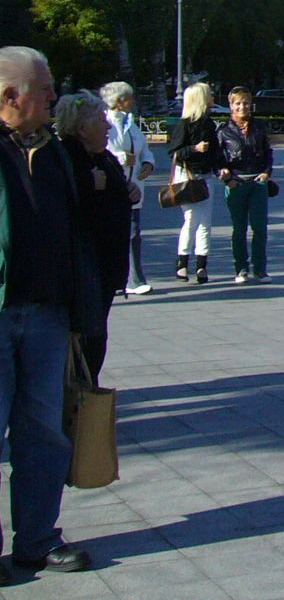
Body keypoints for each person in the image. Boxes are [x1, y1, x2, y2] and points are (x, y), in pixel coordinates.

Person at [0, 46, 95, 577]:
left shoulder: (54, 150)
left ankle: (37, 539)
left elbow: (78, 227)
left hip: (46, 314)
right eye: (45, 88)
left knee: (43, 432)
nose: (54, 96)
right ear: (10, 97)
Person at [54, 91, 135, 385]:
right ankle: (79, 403)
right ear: (81, 128)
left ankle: (85, 398)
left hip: (105, 267)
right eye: (101, 120)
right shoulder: (65, 157)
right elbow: (58, 203)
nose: (108, 126)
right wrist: (88, 184)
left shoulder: (103, 156)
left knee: (96, 335)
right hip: (84, 268)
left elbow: (116, 189)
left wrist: (129, 191)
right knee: (87, 338)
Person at [101, 81, 154, 294]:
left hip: (134, 189)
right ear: (120, 101)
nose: (133, 101)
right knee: (114, 234)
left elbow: (144, 149)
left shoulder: (131, 125)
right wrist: (122, 158)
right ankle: (119, 279)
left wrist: (149, 163)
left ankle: (134, 279)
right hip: (113, 188)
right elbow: (102, 151)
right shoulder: (105, 123)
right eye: (130, 97)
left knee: (133, 233)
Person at [218, 87, 274, 284]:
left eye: (246, 103)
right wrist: (226, 177)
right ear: (231, 106)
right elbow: (218, 160)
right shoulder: (224, 131)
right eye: (238, 103)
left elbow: (268, 153)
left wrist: (267, 172)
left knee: (260, 227)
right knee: (239, 229)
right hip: (237, 184)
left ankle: (260, 269)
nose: (242, 107)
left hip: (258, 183)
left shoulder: (259, 127)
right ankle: (241, 268)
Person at [167, 82, 220, 284]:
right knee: (191, 220)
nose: (212, 98)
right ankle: (182, 263)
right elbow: (174, 153)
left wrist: (220, 168)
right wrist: (194, 149)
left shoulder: (208, 124)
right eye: (208, 95)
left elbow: (215, 152)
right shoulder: (184, 124)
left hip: (205, 177)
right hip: (187, 178)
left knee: (205, 222)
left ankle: (201, 266)